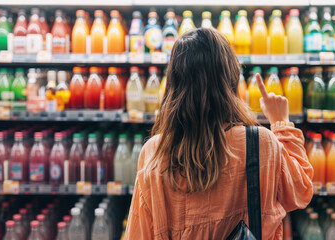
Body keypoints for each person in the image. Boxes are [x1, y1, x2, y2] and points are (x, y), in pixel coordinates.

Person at [125, 28, 313, 239]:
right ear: (229, 79)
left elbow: (138, 233)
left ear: (174, 83)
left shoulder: (155, 151)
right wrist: (281, 122)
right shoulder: (259, 142)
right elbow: (300, 192)